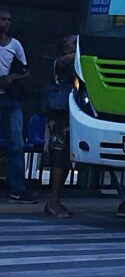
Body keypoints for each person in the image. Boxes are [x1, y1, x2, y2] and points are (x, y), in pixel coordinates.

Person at [0, 6, 37, 204]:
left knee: (16, 143)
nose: (6, 23)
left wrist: (12, 77)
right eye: (3, 19)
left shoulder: (15, 45)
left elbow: (26, 71)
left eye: (8, 20)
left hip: (10, 98)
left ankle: (17, 189)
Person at [44, 34, 77, 217]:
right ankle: (53, 201)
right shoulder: (60, 62)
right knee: (59, 159)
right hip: (59, 119)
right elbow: (66, 61)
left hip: (70, 117)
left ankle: (55, 201)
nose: (77, 46)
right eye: (74, 44)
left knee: (65, 162)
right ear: (65, 48)